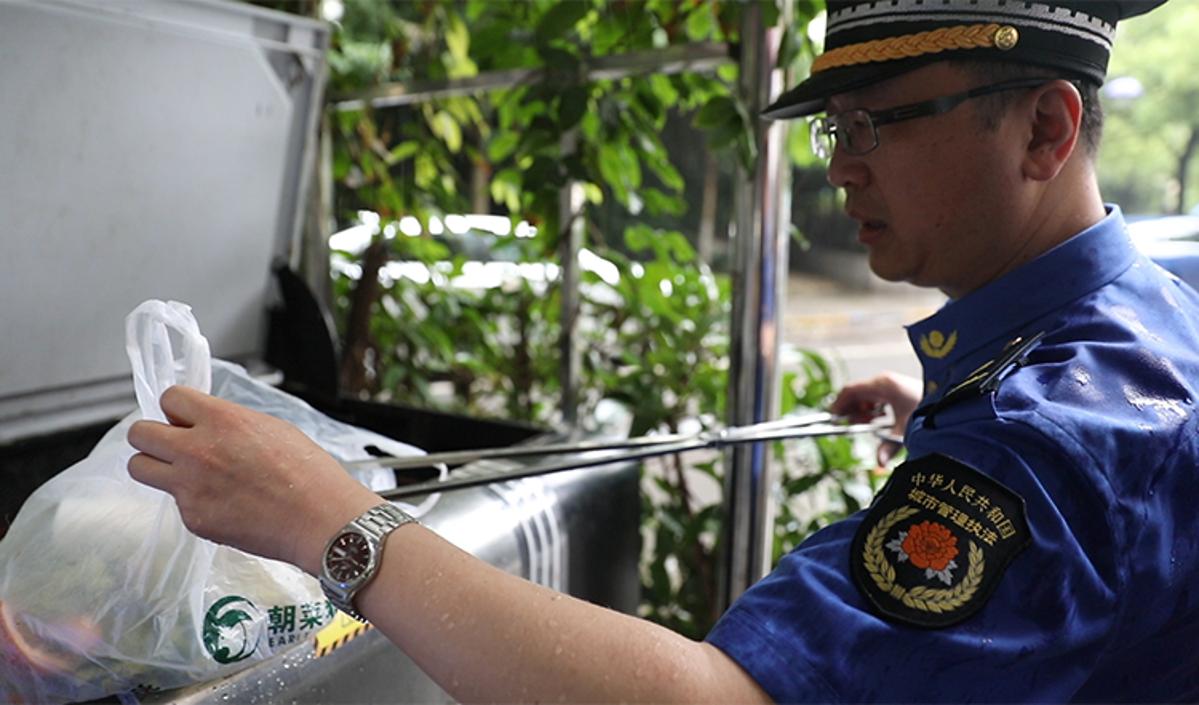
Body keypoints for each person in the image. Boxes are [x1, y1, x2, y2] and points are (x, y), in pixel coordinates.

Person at [127, 0, 1198, 700]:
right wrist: (942, 429)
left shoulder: (1042, 439)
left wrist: (329, 520)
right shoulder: (1136, 321)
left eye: (878, 123)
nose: (841, 168)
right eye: (836, 129)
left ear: (1045, 131)